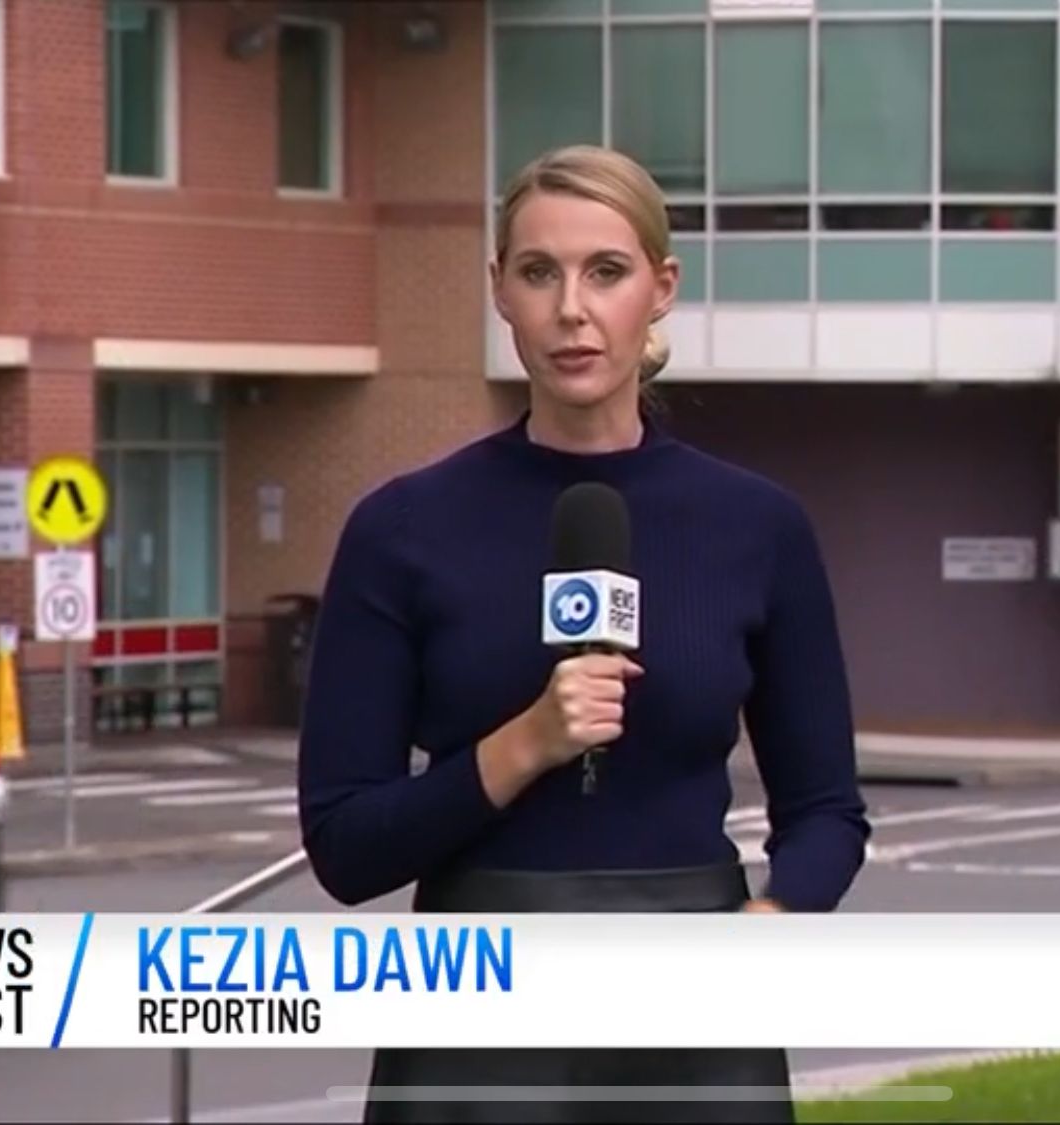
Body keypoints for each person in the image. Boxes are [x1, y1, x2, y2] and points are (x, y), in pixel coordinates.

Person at [296, 143, 872, 1124]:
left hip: (696, 1017)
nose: (571, 308)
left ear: (660, 288)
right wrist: (525, 744)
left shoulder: (756, 526)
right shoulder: (402, 529)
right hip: (476, 1017)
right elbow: (345, 847)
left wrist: (774, 920)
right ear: (499, 291)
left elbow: (825, 810)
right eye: (538, 272)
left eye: (605, 271)